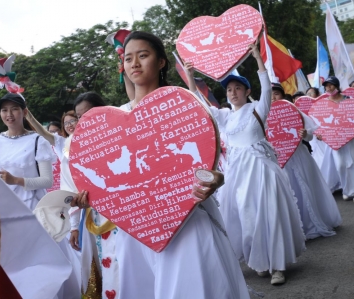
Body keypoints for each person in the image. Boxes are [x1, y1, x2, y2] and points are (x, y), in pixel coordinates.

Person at [74, 31, 250, 299]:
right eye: (129, 58)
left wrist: (216, 179)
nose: (134, 64)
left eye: (143, 56)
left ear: (161, 62)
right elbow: (107, 176)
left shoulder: (185, 106)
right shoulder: (111, 121)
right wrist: (91, 197)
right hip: (137, 227)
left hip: (187, 217)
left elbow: (214, 158)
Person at [184, 44, 305, 285]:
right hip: (237, 174)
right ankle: (259, 260)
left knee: (270, 213)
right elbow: (198, 102)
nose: (232, 92)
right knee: (247, 216)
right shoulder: (224, 115)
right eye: (229, 89)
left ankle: (278, 266)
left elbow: (266, 85)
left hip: (262, 170)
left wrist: (258, 58)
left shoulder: (258, 108)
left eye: (237, 88)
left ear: (246, 90)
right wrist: (189, 75)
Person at [26, 94, 108, 299]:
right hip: (94, 220)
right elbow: (70, 190)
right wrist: (73, 226)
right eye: (74, 119)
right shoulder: (69, 147)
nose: (78, 123)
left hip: (127, 219)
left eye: (79, 118)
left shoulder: (118, 136)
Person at [273, 82, 342, 239]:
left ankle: (313, 222)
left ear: (283, 96)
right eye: (270, 95)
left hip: (299, 155)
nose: (273, 98)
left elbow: (311, 135)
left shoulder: (294, 111)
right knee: (289, 190)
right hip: (280, 160)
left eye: (276, 94)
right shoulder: (263, 115)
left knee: (305, 187)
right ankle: (296, 228)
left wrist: (304, 134)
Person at [0, 93, 55, 210]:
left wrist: (15, 180)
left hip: (33, 206)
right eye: (4, 110)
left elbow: (47, 181)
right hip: (5, 206)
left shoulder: (37, 140)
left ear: (24, 112)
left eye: (14, 109)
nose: (9, 114)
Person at [318, 76, 354, 203]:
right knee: (340, 165)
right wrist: (319, 133)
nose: (329, 88)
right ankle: (346, 189)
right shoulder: (323, 104)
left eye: (331, 85)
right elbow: (319, 122)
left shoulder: (349, 100)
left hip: (350, 138)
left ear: (337, 86)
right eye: (326, 86)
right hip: (334, 140)